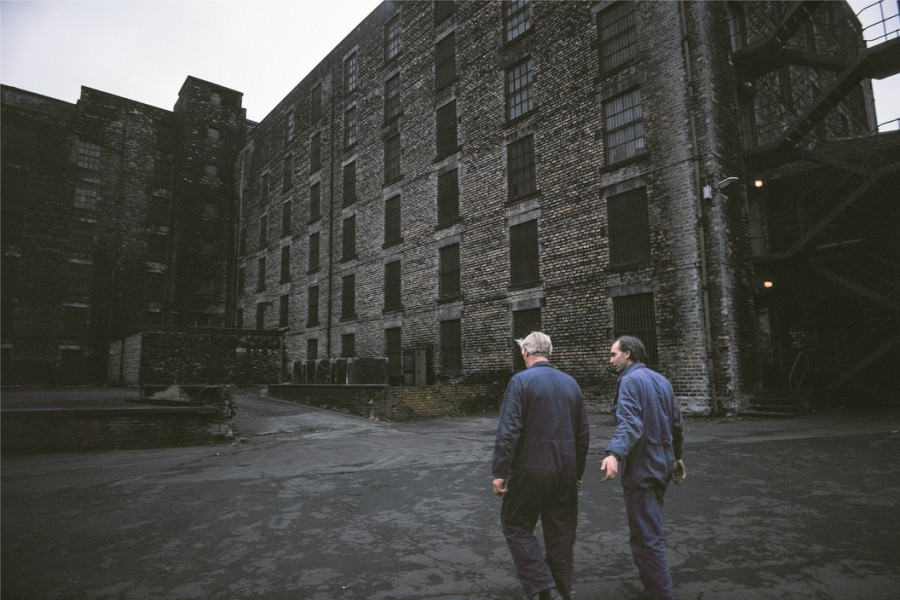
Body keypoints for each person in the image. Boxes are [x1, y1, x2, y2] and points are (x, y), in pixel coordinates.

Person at [492, 331, 590, 600]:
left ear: (525, 352)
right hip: (566, 469)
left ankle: (540, 585)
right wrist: (578, 472)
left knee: (516, 525)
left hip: (530, 469)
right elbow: (583, 434)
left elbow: (508, 431)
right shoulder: (571, 384)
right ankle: (561, 590)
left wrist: (501, 472)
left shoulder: (521, 381)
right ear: (549, 352)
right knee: (561, 531)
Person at [600, 335, 685, 600]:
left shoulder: (629, 381)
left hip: (643, 464)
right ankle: (654, 588)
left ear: (628, 354)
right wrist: (677, 458)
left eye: (614, 354)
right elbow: (677, 424)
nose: (610, 359)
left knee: (645, 534)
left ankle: (660, 593)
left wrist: (614, 452)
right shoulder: (661, 380)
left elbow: (630, 423)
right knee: (651, 526)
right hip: (663, 462)